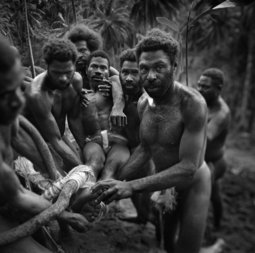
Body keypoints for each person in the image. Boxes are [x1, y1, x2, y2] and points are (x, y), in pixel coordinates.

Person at [0, 28, 98, 253]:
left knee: (47, 241)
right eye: (4, 94)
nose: (17, 104)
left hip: (11, 195)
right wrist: (67, 215)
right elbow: (19, 197)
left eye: (16, 90)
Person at [91, 29, 216, 253]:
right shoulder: (143, 103)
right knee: (167, 244)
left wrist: (130, 186)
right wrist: (111, 182)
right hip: (165, 184)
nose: (150, 76)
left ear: (174, 66)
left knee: (186, 249)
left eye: (159, 67)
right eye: (144, 68)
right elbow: (145, 149)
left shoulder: (192, 104)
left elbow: (188, 167)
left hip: (193, 183)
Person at [22, 39, 85, 171]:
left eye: (68, 72)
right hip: (34, 143)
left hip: (59, 138)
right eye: (56, 72)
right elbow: (56, 141)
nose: (63, 78)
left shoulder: (77, 81)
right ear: (47, 66)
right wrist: (85, 170)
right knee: (63, 182)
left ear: (74, 65)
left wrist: (85, 150)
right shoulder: (37, 93)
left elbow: (74, 119)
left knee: (83, 166)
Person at [80, 50, 130, 183]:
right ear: (86, 70)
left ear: (109, 71)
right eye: (94, 66)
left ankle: (100, 197)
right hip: (93, 142)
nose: (98, 71)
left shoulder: (113, 84)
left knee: (111, 169)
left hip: (117, 142)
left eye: (103, 68)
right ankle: (86, 195)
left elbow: (119, 94)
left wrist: (117, 109)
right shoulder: (81, 95)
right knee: (93, 164)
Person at [118, 48, 155, 224]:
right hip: (128, 148)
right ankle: (141, 216)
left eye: (135, 72)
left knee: (146, 185)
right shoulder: (121, 94)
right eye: (125, 72)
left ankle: (151, 221)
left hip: (146, 152)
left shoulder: (147, 101)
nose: (129, 78)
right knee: (130, 183)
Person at [67, 24, 126, 126]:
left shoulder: (108, 71)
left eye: (83, 50)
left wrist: (114, 89)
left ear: (91, 50)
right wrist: (75, 92)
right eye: (75, 51)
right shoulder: (71, 76)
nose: (79, 55)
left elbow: (125, 86)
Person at [197, 68, 231, 229]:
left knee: (204, 195)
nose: (200, 89)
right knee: (214, 193)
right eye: (199, 85)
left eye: (205, 87)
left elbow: (204, 138)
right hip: (200, 159)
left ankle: (212, 226)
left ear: (218, 89)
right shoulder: (200, 101)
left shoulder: (221, 114)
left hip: (214, 163)